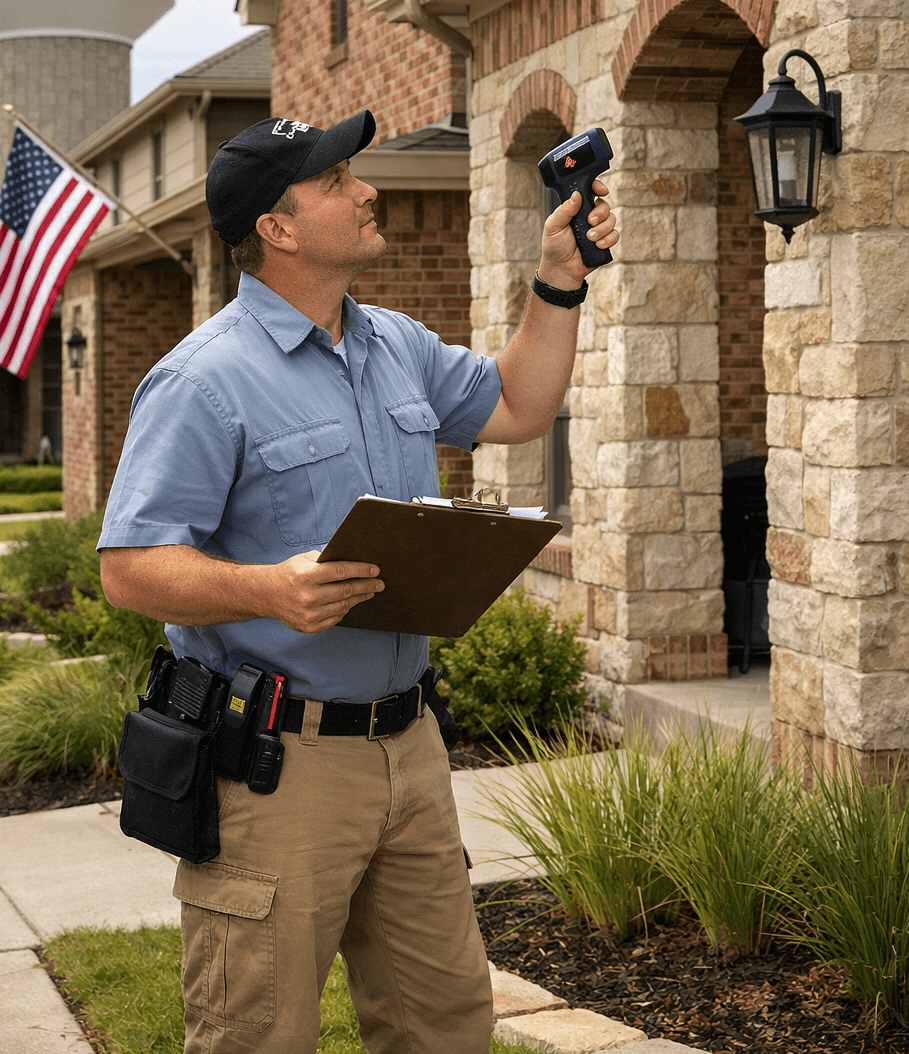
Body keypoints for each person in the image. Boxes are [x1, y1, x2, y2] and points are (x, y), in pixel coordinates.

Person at [98, 109, 618, 1054]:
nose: (366, 188)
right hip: (275, 769)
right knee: (258, 1034)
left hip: (410, 749)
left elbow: (517, 404)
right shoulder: (203, 380)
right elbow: (129, 568)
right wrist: (268, 589)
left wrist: (557, 283)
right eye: (336, 180)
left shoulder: (393, 344)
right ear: (278, 229)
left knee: (446, 1026)